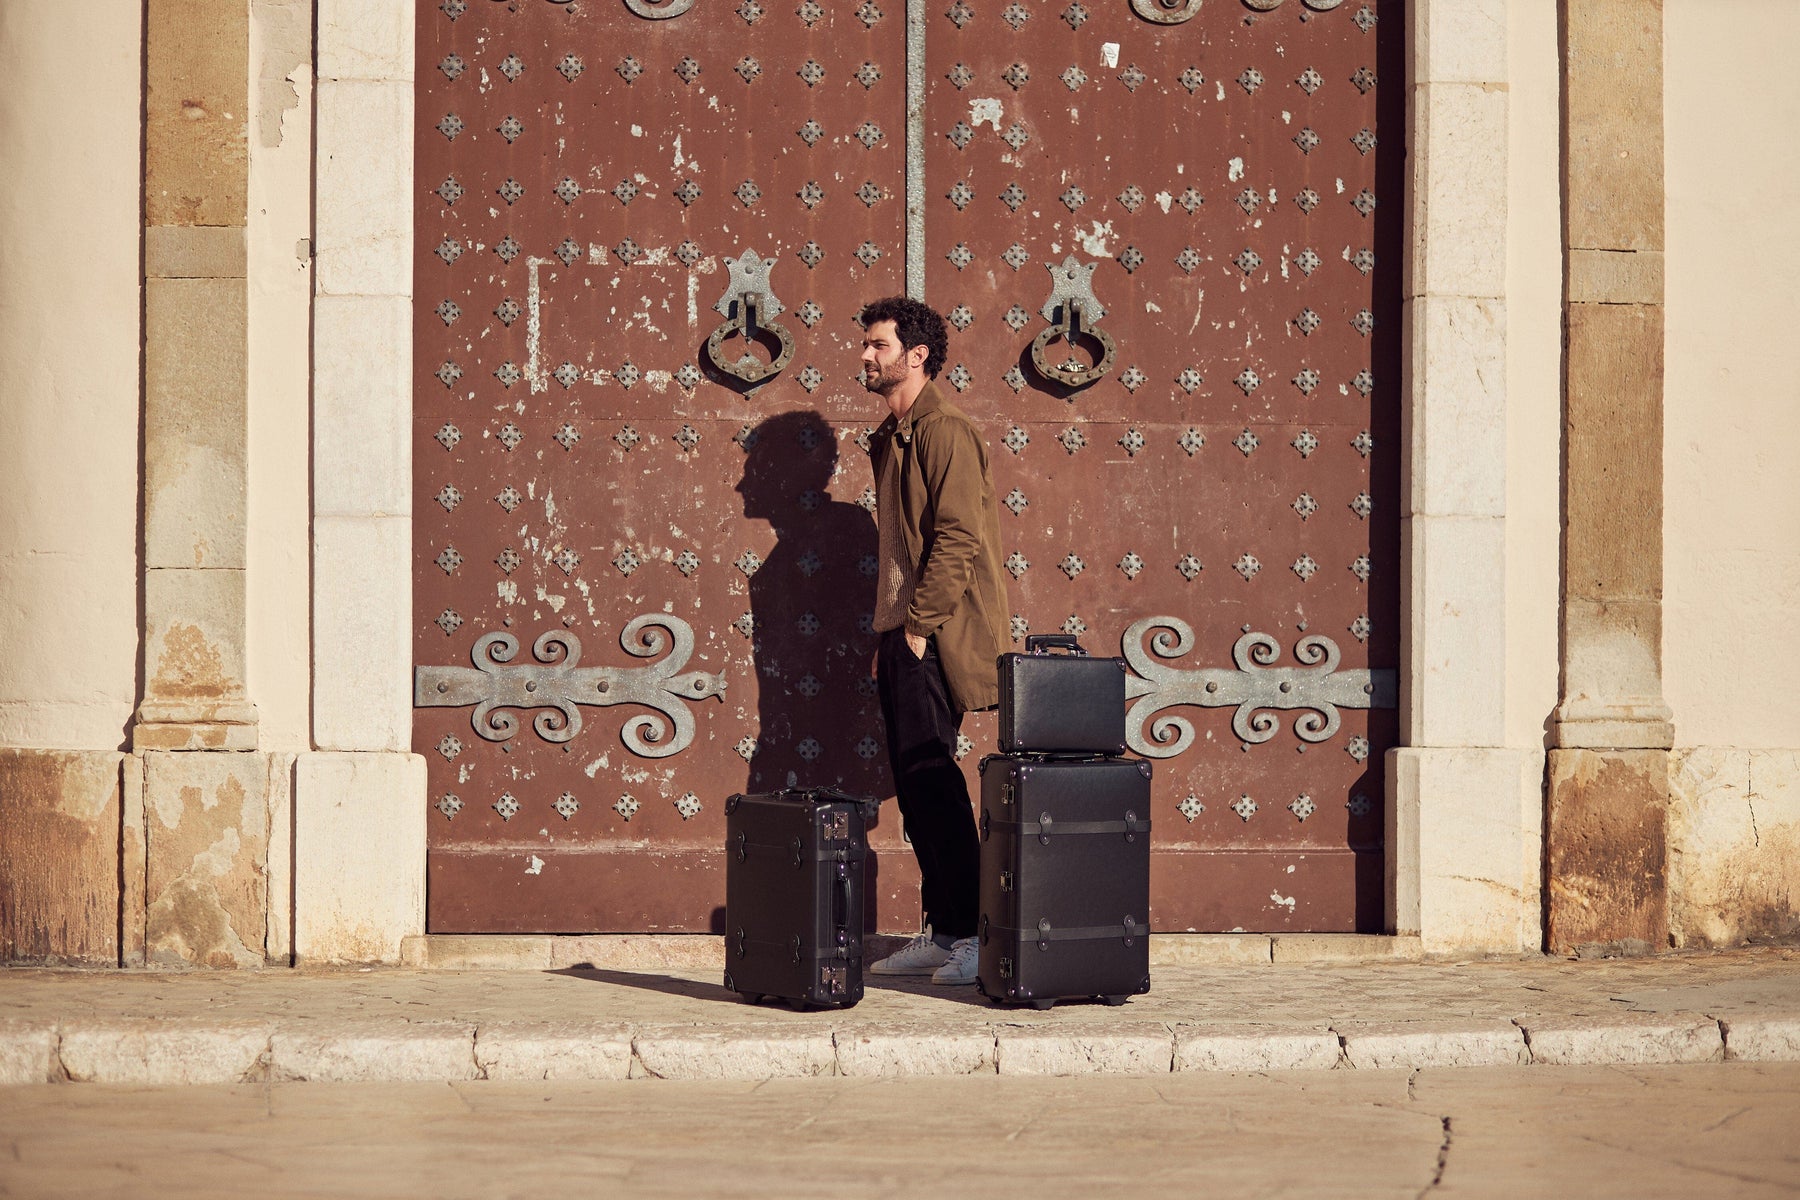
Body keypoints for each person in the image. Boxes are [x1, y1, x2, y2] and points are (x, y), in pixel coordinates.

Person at [857, 296, 1010, 985]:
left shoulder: (945, 431)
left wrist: (917, 628)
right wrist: (890, 629)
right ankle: (945, 929)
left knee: (935, 781)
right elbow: (900, 549)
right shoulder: (892, 436)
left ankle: (977, 935)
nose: (866, 356)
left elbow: (956, 540)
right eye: (866, 345)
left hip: (934, 631)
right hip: (903, 632)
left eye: (878, 346)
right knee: (919, 789)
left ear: (916, 355)